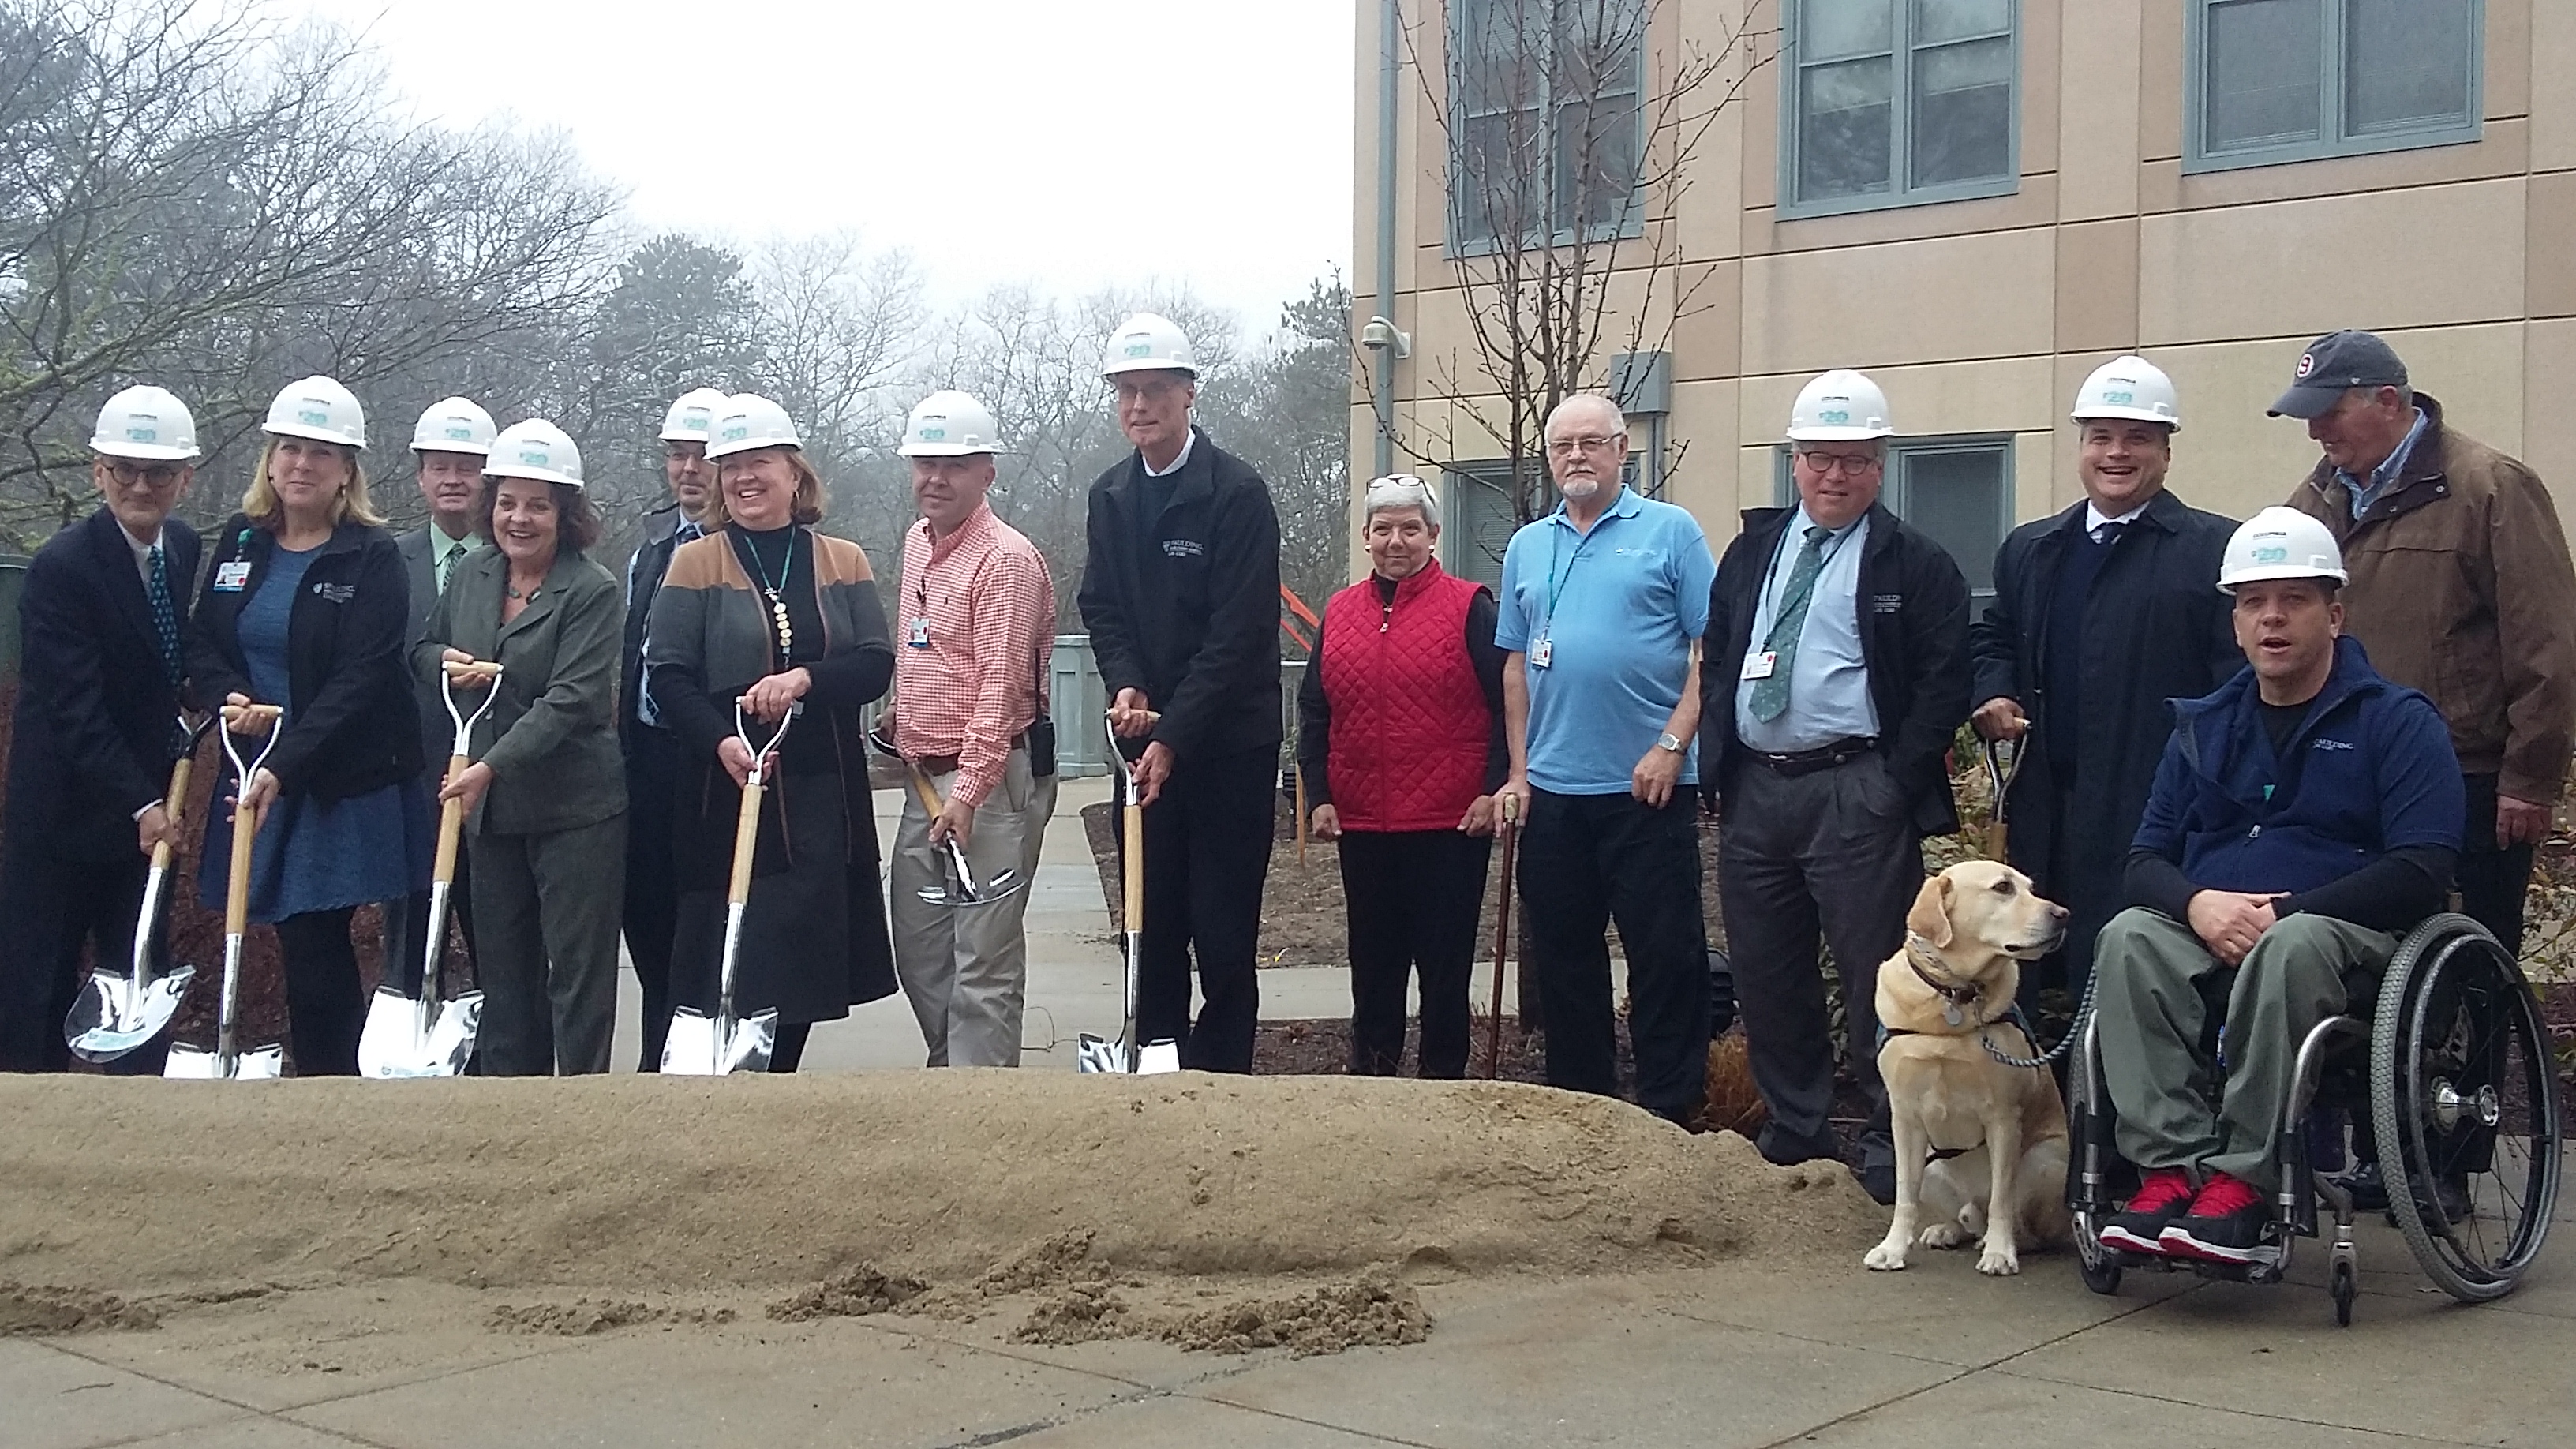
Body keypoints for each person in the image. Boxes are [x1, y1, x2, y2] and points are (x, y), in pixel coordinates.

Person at [2093, 507, 2461, 1264]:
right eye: (2253, 602)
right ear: (2235, 625)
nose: (2271, 618)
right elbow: (2144, 860)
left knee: (2292, 945)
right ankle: (2170, 1172)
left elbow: (2423, 867)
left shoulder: (2396, 721)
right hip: (2213, 928)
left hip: (2345, 940)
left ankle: (2245, 1185)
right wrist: (2196, 904)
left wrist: (2289, 911)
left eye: (2293, 600)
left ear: (2335, 616)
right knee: (2128, 936)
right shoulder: (2202, 726)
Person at [1700, 369, 1970, 1202]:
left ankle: (1894, 1139)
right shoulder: (1753, 550)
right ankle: (1796, 1130)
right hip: (1758, 792)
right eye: (1819, 457)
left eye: (1854, 460)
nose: (1835, 475)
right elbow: (1720, 654)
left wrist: (1892, 784)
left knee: (1875, 975)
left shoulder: (1914, 563)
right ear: (1795, 460)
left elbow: (1943, 682)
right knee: (1767, 974)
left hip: (1856, 789)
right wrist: (1719, 762)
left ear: (1880, 465)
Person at [2269, 329, 2576, 958]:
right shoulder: (2311, 503)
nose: (2315, 430)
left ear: (2388, 401)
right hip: (2345, 772)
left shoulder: (2491, 487)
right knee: (2360, 958)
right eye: (2308, 415)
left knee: (2472, 962)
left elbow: (2548, 641)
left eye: (2329, 411)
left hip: (2468, 777)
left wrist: (2530, 777)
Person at [1969, 357, 2237, 1014]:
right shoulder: (2033, 548)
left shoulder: (2214, 552)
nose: (2117, 453)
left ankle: (2117, 1086)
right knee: (2034, 976)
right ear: (2081, 448)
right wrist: (1994, 692)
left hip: (2150, 812)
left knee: (2128, 979)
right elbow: (1995, 636)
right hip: (2044, 807)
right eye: (2101, 438)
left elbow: (2235, 689)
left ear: (2166, 452)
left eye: (2137, 438)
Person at [644, 392, 897, 1071]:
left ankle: (778, 1082)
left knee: (803, 961)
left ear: (794, 472)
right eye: (731, 467)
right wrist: (720, 741)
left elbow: (875, 664)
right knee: (726, 947)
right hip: (725, 789)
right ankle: (718, 1085)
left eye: (759, 462)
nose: (744, 478)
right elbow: (667, 675)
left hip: (821, 795)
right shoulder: (695, 563)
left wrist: (805, 679)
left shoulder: (843, 560)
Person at [188, 376, 430, 1076]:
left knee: (315, 934)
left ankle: (333, 1085)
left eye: (321, 453)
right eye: (289, 449)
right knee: (286, 933)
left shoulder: (371, 556)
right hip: (254, 766)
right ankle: (313, 1080)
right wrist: (230, 696)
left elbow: (363, 676)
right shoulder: (241, 542)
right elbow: (204, 644)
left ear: (347, 471)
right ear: (269, 460)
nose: (302, 464)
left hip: (335, 781)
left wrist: (283, 762)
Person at [1492, 394, 1714, 1125]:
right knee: (1564, 962)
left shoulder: (1671, 532)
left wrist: (1672, 745)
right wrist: (1519, 773)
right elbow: (1516, 664)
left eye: (1592, 442)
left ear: (1623, 449)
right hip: (1554, 793)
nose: (1577, 456)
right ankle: (1584, 1111)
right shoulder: (1529, 545)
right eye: (1563, 446)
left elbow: (1709, 652)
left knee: (1665, 956)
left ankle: (1669, 1111)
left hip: (1647, 788)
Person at [1076, 313, 1282, 1073]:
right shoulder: (1110, 495)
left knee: (1223, 931)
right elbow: (1101, 606)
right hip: (1143, 746)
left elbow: (1237, 635)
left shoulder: (1236, 493)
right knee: (1151, 920)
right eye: (1126, 391)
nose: (1140, 406)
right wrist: (1127, 683)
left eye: (1156, 390)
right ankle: (1155, 1060)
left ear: (1189, 393)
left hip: (1228, 746)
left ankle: (1221, 1078)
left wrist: (1174, 734)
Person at [0, 386, 205, 1073]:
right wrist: (142, 803)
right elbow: (73, 710)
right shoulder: (62, 568)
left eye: (158, 473)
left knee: (138, 978)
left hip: (147, 811)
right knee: (39, 989)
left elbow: (167, 660)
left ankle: (134, 1120)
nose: (140, 486)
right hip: (62, 816)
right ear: (98, 472)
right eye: (125, 470)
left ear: (185, 479)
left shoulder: (181, 547)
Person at [417, 420, 627, 1075]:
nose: (519, 519)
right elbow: (422, 647)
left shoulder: (592, 590)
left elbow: (571, 700)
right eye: (507, 502)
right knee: (504, 977)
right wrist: (444, 662)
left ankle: (581, 1105)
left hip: (575, 810)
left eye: (538, 505)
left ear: (566, 515)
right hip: (494, 814)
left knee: (577, 977)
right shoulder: (474, 573)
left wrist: (488, 766)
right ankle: (510, 1106)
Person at [1298, 473, 1505, 1078]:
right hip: (1363, 822)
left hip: (1451, 824)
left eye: (1410, 528)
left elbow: (1506, 705)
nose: (1397, 541)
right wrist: (1319, 793)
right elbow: (1315, 708)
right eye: (1384, 528)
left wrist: (1492, 790)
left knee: (1444, 970)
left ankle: (1443, 1085)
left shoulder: (1471, 607)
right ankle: (1374, 1080)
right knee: (1373, 966)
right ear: (1366, 536)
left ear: (1433, 535)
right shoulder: (1340, 611)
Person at [882, 390, 1058, 1068]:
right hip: (924, 775)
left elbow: (1000, 686)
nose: (935, 479)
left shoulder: (1005, 560)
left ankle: (981, 1100)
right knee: (921, 947)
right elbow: (929, 647)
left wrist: (971, 791)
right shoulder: (917, 543)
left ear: (987, 472)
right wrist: (905, 710)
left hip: (988, 778)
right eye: (924, 464)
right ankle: (951, 1074)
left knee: (982, 958)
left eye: (953, 465)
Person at [621, 386, 727, 1070]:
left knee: (702, 924)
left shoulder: (740, 549)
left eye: (702, 456)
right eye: (676, 455)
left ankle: (697, 1057)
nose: (688, 469)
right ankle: (655, 1056)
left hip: (713, 758)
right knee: (647, 914)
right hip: (647, 756)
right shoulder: (652, 546)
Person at [383, 397, 493, 998]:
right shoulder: (387, 561)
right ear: (421, 476)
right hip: (409, 777)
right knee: (408, 935)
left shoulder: (517, 562)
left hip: (495, 780)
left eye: (467, 468)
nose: (453, 480)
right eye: (439, 467)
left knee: (495, 939)